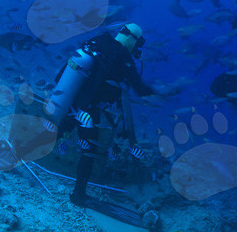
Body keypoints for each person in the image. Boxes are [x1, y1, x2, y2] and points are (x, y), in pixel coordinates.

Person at [48, 24, 160, 228]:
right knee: (89, 150)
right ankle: (79, 195)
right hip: (87, 108)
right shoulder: (123, 57)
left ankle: (23, 153)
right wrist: (165, 92)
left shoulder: (100, 40)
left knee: (60, 131)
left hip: (73, 100)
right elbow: (140, 89)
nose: (138, 47)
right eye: (139, 42)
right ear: (132, 38)